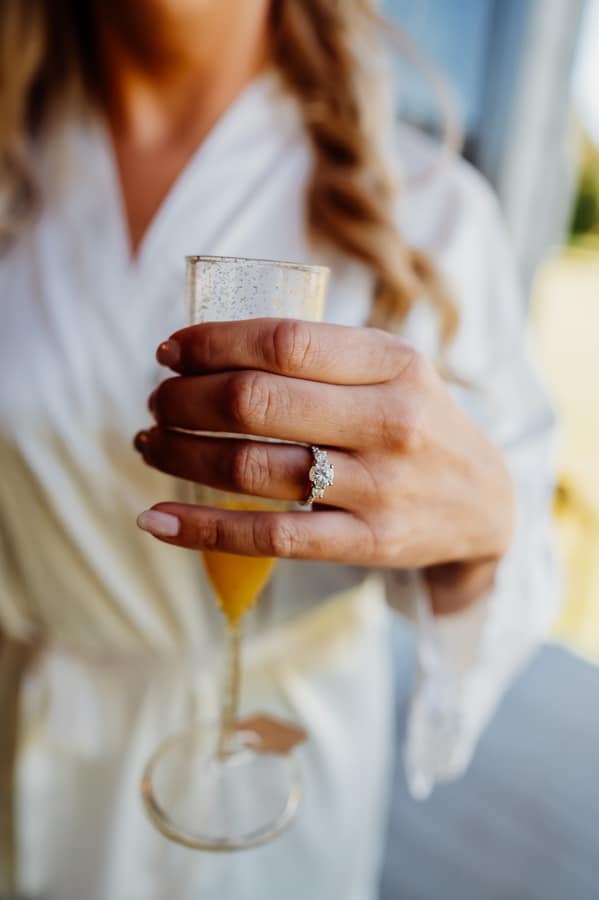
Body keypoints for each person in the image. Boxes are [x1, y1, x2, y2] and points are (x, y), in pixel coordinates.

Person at [0, 1, 557, 898]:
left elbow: (521, 547)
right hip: (25, 737)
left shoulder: (427, 211)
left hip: (270, 785)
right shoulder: (20, 165)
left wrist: (478, 541)